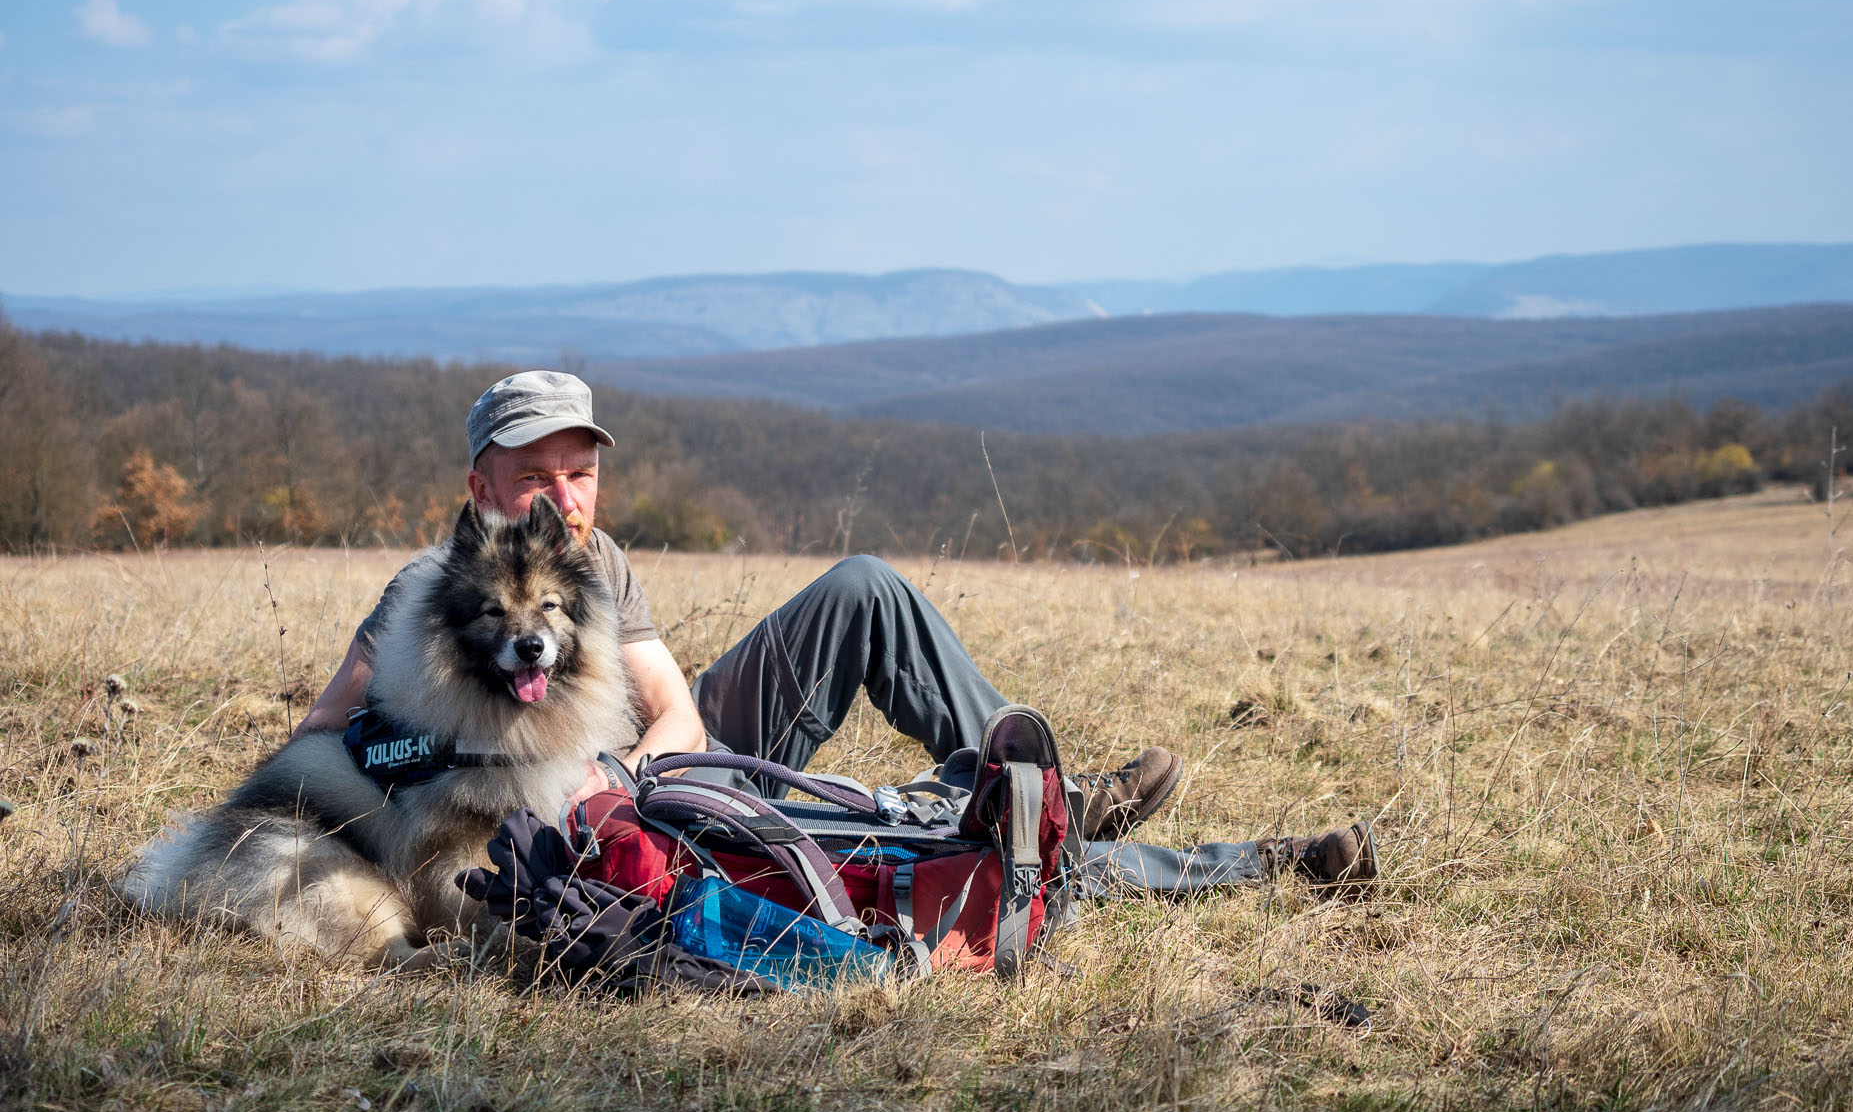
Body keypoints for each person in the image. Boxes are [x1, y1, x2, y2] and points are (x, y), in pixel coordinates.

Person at [298, 371, 1377, 895]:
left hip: (645, 771)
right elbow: (323, 736)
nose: (564, 494)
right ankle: (1251, 863)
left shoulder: (594, 559)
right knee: (923, 852)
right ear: (478, 484)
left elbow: (673, 706)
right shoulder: (428, 591)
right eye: (535, 473)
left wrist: (620, 770)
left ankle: (1037, 783)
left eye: (580, 471)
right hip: (566, 829)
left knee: (864, 584)